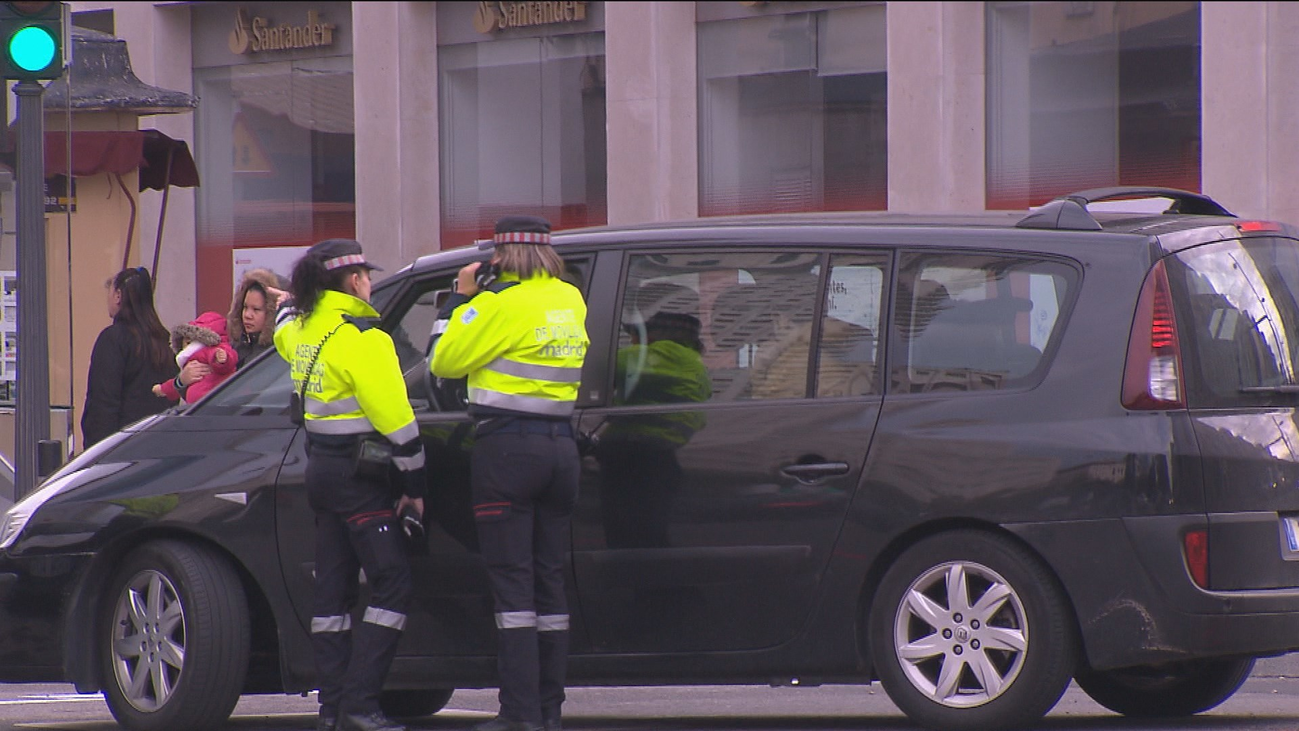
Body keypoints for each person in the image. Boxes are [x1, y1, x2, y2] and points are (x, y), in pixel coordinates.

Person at [429, 215, 588, 731]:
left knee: (513, 590)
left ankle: (519, 715)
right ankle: (548, 711)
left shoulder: (496, 304)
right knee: (549, 584)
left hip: (508, 452)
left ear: (500, 257)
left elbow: (443, 361)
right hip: (561, 450)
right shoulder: (569, 298)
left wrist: (460, 300)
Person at [273, 239, 426, 731]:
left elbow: (279, 330)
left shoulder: (302, 330)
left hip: (320, 472)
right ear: (353, 281)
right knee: (393, 583)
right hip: (360, 480)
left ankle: (332, 709)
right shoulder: (365, 337)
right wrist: (415, 480)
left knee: (332, 596)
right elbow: (397, 420)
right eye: (365, 274)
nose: (370, 282)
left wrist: (285, 307)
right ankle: (361, 704)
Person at [598, 311, 711, 548]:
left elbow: (601, 363)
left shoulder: (670, 355)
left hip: (641, 460)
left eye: (637, 336)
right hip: (656, 458)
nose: (632, 342)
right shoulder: (688, 363)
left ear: (656, 337)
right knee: (647, 539)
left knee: (634, 541)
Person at [81, 266, 178, 449]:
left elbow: (102, 404)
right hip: (157, 447)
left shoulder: (113, 339)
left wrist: (96, 453)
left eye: (109, 290)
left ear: (118, 296)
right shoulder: (162, 343)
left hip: (120, 449)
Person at [152, 311, 238, 403]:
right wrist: (170, 386)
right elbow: (179, 382)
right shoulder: (191, 359)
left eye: (189, 342)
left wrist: (220, 359)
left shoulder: (211, 349)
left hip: (212, 403)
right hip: (196, 407)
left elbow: (228, 359)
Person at [229, 267, 290, 369]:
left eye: (256, 309)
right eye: (245, 307)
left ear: (272, 312)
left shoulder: (278, 353)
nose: (247, 315)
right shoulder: (235, 348)